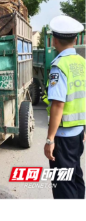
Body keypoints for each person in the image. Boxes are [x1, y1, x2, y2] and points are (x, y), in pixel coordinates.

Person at [43, 15, 86, 200]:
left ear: (54, 40)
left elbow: (58, 105)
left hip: (63, 136)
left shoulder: (59, 66)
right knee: (76, 176)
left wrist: (50, 139)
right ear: (75, 39)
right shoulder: (82, 63)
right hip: (78, 133)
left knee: (63, 183)